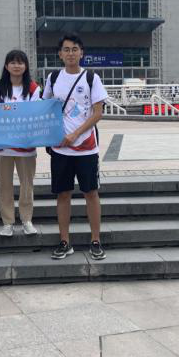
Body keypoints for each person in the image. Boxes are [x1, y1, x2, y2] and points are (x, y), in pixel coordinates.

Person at [42, 34, 108, 261]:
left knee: (91, 193)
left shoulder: (91, 78)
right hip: (61, 148)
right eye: (66, 49)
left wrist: (75, 134)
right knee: (63, 194)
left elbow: (98, 113)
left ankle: (96, 240)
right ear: (60, 54)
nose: (70, 53)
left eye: (75, 49)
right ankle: (64, 241)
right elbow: (45, 107)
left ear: (82, 53)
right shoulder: (53, 78)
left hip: (86, 147)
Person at [0, 50, 40, 237]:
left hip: (26, 146)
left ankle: (26, 220)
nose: (16, 66)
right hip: (3, 146)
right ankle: (8, 222)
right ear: (6, 66)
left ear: (26, 66)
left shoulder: (33, 88)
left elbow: (36, 113)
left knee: (27, 185)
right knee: (4, 185)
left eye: (20, 62)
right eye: (12, 62)